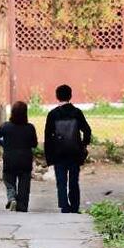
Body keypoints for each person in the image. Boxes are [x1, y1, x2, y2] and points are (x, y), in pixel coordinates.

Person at [44, 84, 92, 214]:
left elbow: (47, 137)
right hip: (75, 153)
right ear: (70, 96)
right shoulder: (77, 113)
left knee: (61, 181)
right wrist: (83, 145)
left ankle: (64, 206)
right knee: (74, 181)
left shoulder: (52, 114)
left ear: (57, 97)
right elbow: (87, 130)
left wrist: (49, 158)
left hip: (58, 153)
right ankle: (75, 206)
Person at [0, 101, 39, 212]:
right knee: (24, 186)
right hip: (25, 160)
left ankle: (11, 197)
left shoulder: (5, 127)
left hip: (10, 159)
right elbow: (34, 144)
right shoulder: (30, 128)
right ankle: (22, 207)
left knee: (8, 180)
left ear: (12, 112)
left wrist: (4, 143)